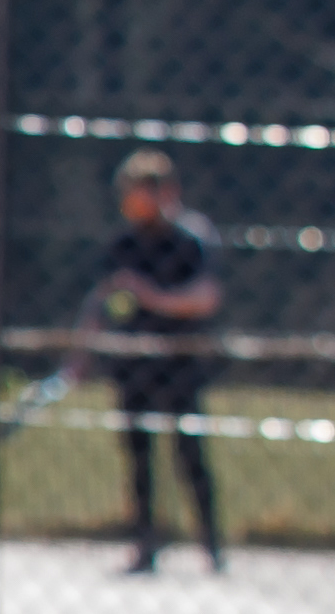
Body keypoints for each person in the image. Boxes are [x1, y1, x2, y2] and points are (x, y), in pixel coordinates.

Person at [77, 147, 228, 573]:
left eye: (139, 192)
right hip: (133, 366)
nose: (130, 201)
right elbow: (100, 302)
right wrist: (82, 352)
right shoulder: (123, 243)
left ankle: (210, 545)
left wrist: (150, 295)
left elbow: (205, 298)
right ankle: (145, 545)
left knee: (190, 454)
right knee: (139, 457)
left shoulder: (191, 239)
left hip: (180, 362)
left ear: (164, 193)